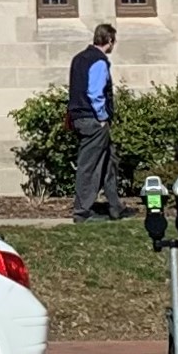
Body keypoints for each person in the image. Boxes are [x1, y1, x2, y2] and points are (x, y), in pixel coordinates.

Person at [66, 23, 121, 221]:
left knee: (108, 161)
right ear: (110, 41)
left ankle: (115, 207)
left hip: (80, 117)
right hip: (93, 120)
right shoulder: (99, 61)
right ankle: (82, 212)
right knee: (89, 166)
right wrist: (103, 117)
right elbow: (95, 93)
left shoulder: (79, 59)